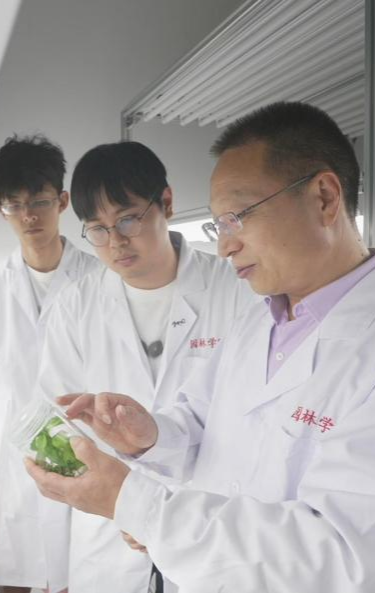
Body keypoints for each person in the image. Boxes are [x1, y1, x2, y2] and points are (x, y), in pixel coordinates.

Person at [25, 102, 375, 593]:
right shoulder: (257, 322)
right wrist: (150, 435)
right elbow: (203, 424)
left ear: (324, 198)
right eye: (218, 225)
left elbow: (339, 559)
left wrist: (137, 504)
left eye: (238, 217)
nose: (225, 246)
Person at [32, 140, 256, 593]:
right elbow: (58, 419)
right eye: (97, 230)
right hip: (109, 530)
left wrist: (160, 513)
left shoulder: (237, 289)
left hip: (208, 518)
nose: (115, 242)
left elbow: (251, 419)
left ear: (166, 203)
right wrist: (123, 503)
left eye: (128, 220)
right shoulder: (75, 307)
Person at [0, 134, 102, 593]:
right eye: (14, 204)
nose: (28, 216)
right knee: (10, 569)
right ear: (0, 209)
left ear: (62, 201)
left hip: (79, 438)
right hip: (7, 448)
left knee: (74, 571)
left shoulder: (99, 277)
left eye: (40, 201)